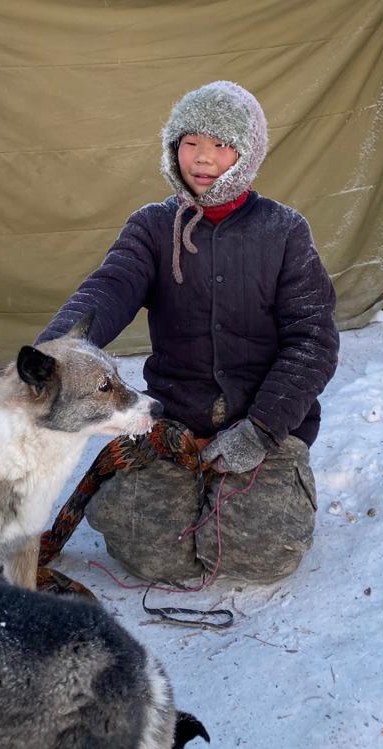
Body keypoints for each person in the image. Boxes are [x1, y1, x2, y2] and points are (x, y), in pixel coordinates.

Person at [36, 80, 339, 585]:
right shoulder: (152, 227)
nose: (202, 158)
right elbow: (110, 286)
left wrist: (263, 430)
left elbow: (314, 340)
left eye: (221, 145)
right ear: (173, 147)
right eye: (191, 142)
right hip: (175, 421)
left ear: (246, 154)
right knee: (147, 554)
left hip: (261, 423)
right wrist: (56, 351)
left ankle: (265, 477)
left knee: (265, 556)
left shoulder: (284, 232)